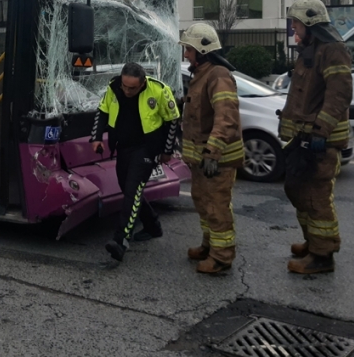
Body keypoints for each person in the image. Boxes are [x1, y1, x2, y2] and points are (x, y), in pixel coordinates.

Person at [280, 0, 353, 275]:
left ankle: (322, 256)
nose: (294, 29)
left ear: (310, 23)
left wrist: (321, 131)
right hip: (304, 137)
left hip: (319, 140)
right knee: (297, 190)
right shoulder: (311, 49)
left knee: (315, 196)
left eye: (296, 23)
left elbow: (339, 94)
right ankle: (313, 241)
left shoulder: (333, 50)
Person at [89, 63, 179, 262]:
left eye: (133, 88)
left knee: (132, 188)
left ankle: (121, 240)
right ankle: (152, 225)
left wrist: (167, 150)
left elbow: (172, 120)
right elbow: (102, 112)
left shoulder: (159, 91)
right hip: (123, 146)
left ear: (142, 83)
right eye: (125, 86)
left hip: (147, 147)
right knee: (127, 187)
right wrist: (96, 138)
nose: (127, 91)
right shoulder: (114, 88)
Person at [178, 23, 244, 275]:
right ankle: (209, 245)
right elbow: (200, 107)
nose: (185, 54)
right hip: (201, 160)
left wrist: (213, 152)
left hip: (217, 160)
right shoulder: (202, 74)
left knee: (217, 207)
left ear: (202, 51)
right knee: (203, 202)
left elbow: (226, 116)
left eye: (189, 49)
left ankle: (221, 257)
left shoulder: (218, 75)